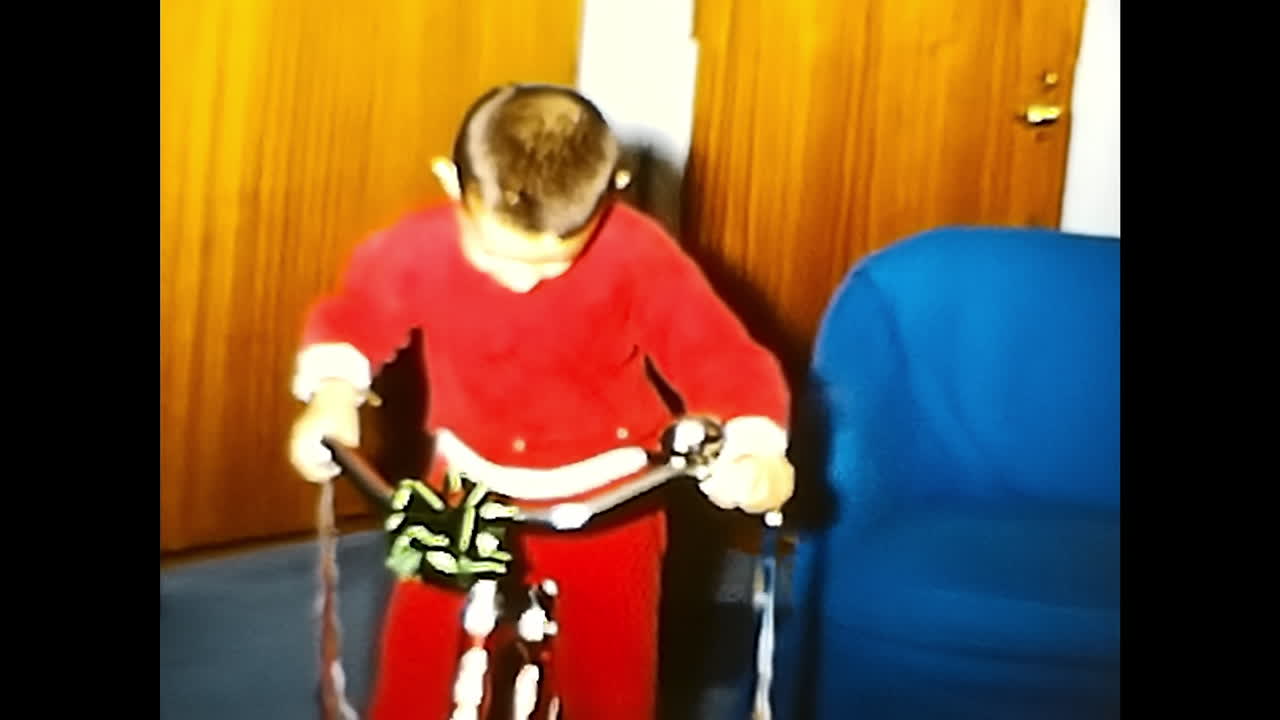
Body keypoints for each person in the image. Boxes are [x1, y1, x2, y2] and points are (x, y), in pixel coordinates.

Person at [288, 82, 794, 720]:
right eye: (497, 258)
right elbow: (357, 311)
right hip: (466, 487)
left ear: (614, 188)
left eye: (552, 264)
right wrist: (333, 394)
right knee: (417, 659)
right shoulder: (420, 245)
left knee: (610, 673)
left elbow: (718, 353)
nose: (523, 282)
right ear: (452, 183)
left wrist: (753, 448)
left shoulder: (638, 254)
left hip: (605, 496)